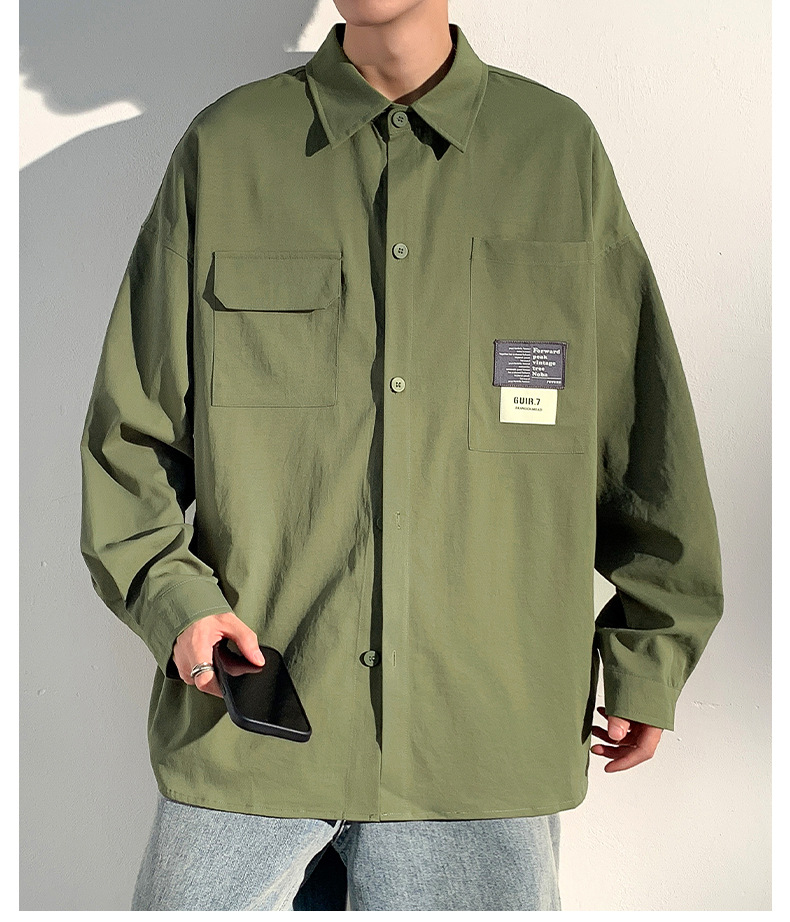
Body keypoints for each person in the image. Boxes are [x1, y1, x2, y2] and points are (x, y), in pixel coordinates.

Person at [79, 0, 725, 911]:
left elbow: (641, 432)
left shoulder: (555, 151)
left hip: (482, 746)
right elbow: (130, 440)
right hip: (250, 734)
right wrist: (178, 607)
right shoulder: (228, 149)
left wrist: (651, 654)